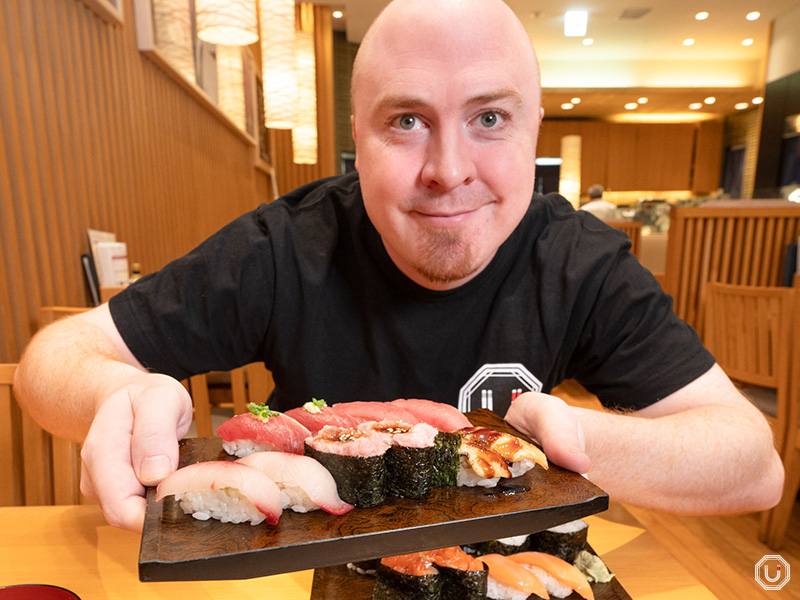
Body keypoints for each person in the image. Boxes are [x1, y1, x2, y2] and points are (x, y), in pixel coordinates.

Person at [14, 0, 782, 534]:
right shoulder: (286, 246)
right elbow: (56, 356)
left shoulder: (578, 260)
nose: (449, 171)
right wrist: (121, 392)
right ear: (359, 136)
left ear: (532, 128)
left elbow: (754, 468)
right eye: (407, 121)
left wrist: (562, 439)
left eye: (489, 118)